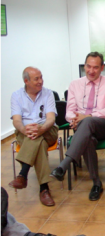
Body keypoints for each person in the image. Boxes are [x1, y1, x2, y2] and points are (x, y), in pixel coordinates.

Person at [50, 52, 105, 201]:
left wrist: (86, 117)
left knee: (87, 122)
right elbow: (69, 110)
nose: (91, 71)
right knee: (88, 139)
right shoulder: (75, 84)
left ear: (102, 68)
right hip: (82, 126)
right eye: (88, 66)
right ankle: (96, 183)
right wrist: (74, 119)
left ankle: (64, 165)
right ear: (84, 65)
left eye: (95, 67)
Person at [9, 67, 58, 207]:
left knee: (37, 136)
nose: (41, 81)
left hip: (47, 130)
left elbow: (50, 119)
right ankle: (44, 189)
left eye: (41, 77)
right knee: (38, 142)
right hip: (26, 132)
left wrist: (40, 129)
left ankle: (22, 174)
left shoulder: (48, 94)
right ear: (26, 81)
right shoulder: (16, 95)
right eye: (36, 79)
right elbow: (16, 120)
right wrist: (25, 130)